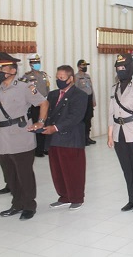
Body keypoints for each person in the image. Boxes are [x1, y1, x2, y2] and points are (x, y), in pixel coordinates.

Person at [0, 52, 49, 221]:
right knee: (10, 174)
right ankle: (17, 204)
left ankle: (29, 205)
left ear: (13, 70)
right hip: (3, 137)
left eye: (2, 68)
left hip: (20, 135)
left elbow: (43, 102)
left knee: (24, 173)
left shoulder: (24, 86)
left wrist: (40, 122)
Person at [107, 54, 133, 213]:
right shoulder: (114, 88)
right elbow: (111, 112)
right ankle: (132, 199)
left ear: (130, 68)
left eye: (123, 67)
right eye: (118, 68)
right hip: (119, 132)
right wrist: (110, 134)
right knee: (127, 168)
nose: (120, 70)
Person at [42, 65, 88, 211]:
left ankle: (76, 197)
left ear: (70, 79)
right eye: (57, 77)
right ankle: (64, 196)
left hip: (71, 139)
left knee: (73, 170)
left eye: (61, 78)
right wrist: (41, 125)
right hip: (54, 139)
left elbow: (74, 117)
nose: (58, 80)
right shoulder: (53, 94)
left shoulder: (80, 95)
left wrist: (55, 128)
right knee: (57, 170)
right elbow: (48, 114)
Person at [25, 54, 50, 157]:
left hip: (44, 102)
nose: (37, 64)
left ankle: (45, 147)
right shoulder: (26, 77)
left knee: (45, 125)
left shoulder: (44, 75)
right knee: (36, 125)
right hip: (34, 105)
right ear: (30, 64)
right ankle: (37, 150)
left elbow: (47, 89)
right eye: (35, 62)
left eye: (38, 62)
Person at [75, 59, 96, 145]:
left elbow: (91, 89)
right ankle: (82, 139)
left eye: (86, 66)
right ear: (79, 67)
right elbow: (75, 91)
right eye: (83, 66)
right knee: (82, 121)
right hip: (82, 101)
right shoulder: (76, 77)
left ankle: (87, 137)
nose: (85, 67)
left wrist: (93, 100)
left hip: (89, 100)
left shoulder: (87, 76)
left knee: (88, 119)